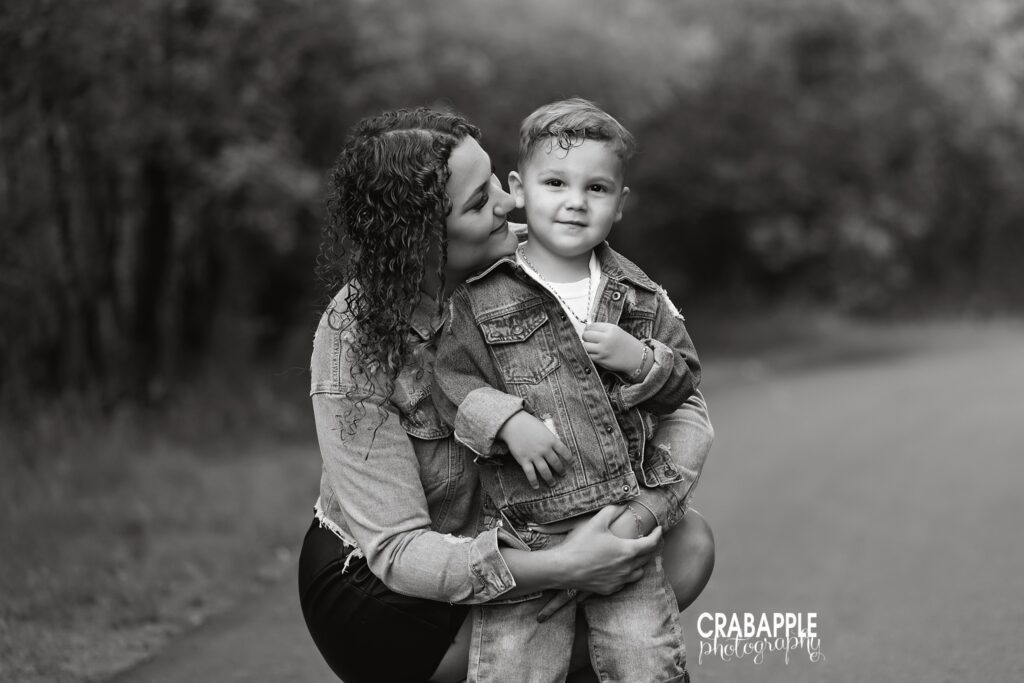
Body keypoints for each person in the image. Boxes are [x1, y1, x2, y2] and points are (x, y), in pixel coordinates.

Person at [299, 106, 715, 683]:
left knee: (685, 542)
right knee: (559, 626)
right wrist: (562, 567)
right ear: (418, 241)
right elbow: (398, 551)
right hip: (392, 593)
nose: (508, 203)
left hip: (533, 529)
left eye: (494, 179)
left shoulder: (545, 255)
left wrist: (637, 510)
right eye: (477, 203)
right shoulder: (354, 338)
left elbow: (685, 401)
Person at [432, 98, 701, 682]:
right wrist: (505, 420)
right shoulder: (482, 294)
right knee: (514, 672)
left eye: (597, 188)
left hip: (622, 525)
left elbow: (685, 380)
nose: (575, 202)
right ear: (518, 188)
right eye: (555, 182)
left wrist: (642, 362)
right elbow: (450, 379)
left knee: (646, 663)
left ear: (620, 203)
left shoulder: (640, 296)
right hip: (526, 534)